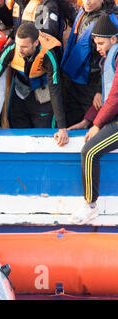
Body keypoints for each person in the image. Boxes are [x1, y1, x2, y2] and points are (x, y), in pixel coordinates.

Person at [0, 22, 69, 146]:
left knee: (44, 138)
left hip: (43, 98)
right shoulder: (12, 48)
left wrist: (62, 127)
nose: (19, 50)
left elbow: (55, 89)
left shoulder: (48, 55)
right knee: (17, 135)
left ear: (35, 43)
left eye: (24, 47)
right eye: (18, 44)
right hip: (20, 95)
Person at [68, 14, 118, 224]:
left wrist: (97, 125)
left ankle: (90, 206)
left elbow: (115, 97)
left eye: (101, 43)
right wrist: (88, 121)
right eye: (95, 43)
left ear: (113, 40)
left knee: (89, 152)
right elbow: (104, 96)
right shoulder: (110, 57)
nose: (97, 47)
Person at [61, 0, 118, 127]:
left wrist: (100, 90)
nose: (87, 2)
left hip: (92, 85)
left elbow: (109, 63)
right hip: (74, 81)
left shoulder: (112, 21)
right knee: (72, 121)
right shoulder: (83, 12)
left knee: (91, 124)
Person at [0, 0, 76, 42]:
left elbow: (47, 34)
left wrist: (24, 38)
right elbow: (14, 24)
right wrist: (1, 6)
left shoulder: (45, 5)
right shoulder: (21, 3)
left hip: (37, 58)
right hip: (21, 52)